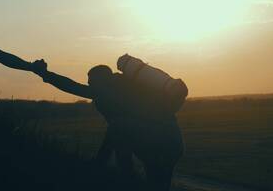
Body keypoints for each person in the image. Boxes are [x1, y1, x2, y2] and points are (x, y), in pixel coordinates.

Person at [31, 58, 185, 191]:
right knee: (157, 184)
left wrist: (45, 74)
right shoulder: (129, 87)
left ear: (101, 79)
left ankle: (126, 179)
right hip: (172, 143)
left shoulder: (110, 89)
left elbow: (72, 86)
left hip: (154, 143)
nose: (89, 84)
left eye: (91, 80)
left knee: (118, 128)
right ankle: (123, 178)